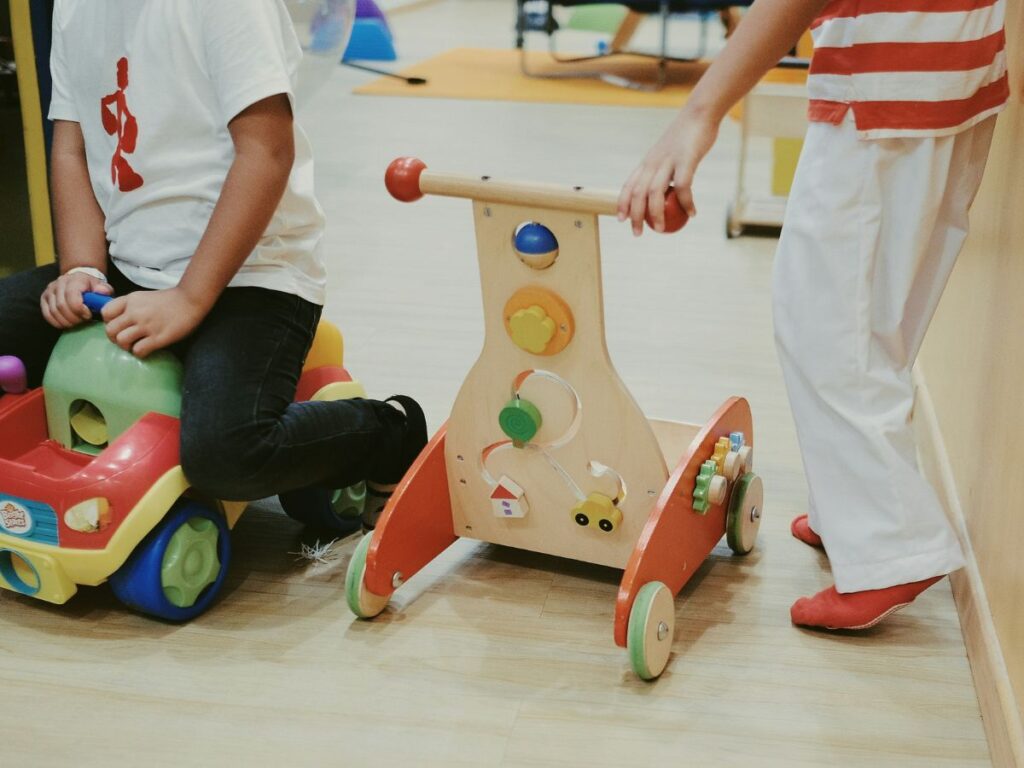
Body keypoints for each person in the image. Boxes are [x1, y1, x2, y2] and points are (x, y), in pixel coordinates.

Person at [618, 0, 1008, 630]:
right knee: (877, 324)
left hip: (884, 82)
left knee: (824, 327)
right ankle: (853, 515)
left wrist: (700, 113)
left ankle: (890, 548)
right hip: (954, 66)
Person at [0, 0, 425, 531]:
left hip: (253, 275)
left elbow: (267, 151)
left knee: (225, 455)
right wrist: (81, 268)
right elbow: (71, 148)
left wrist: (189, 298)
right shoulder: (73, 7)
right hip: (129, 265)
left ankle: (386, 431)